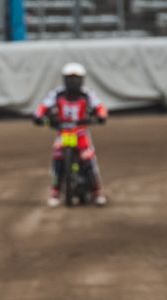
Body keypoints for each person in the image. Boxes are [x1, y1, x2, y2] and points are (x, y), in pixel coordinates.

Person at [33, 62, 109, 208]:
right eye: (69, 78)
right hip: (63, 133)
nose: (73, 81)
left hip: (81, 132)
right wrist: (39, 116)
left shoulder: (87, 94)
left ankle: (97, 191)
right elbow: (42, 107)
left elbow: (100, 107)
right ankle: (55, 191)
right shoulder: (57, 94)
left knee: (89, 159)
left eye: (76, 78)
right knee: (57, 159)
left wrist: (101, 115)